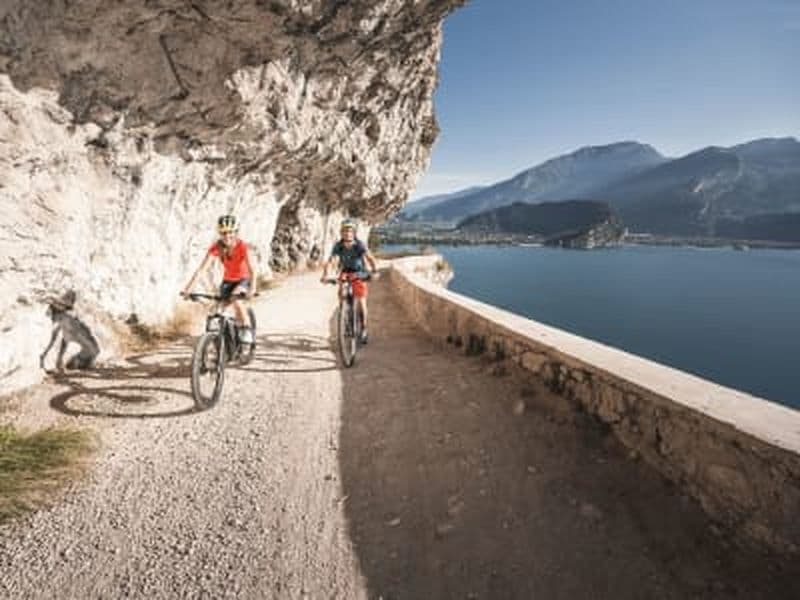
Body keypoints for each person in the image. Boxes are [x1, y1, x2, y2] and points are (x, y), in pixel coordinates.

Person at [181, 215, 256, 344]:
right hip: (228, 281)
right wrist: (188, 289)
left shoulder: (242, 246)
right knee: (217, 310)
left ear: (236, 232)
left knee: (237, 301)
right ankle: (223, 340)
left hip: (243, 279)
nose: (227, 236)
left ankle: (246, 329)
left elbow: (253, 270)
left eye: (231, 232)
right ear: (220, 233)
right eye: (224, 233)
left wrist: (253, 289)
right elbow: (201, 270)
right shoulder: (217, 247)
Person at [320, 219, 378, 343]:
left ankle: (363, 328)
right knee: (341, 293)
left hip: (359, 272)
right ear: (341, 232)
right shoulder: (339, 245)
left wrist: (374, 271)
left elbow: (370, 257)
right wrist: (326, 274)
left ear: (354, 233)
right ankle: (344, 315)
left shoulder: (359, 245)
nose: (347, 233)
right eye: (345, 231)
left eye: (350, 231)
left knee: (361, 301)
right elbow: (332, 260)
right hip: (345, 271)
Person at [40, 290, 100, 372]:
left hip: (81, 342)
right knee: (93, 351)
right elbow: (63, 339)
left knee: (92, 351)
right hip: (81, 340)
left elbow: (64, 339)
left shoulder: (66, 317)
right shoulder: (66, 316)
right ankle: (57, 361)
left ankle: (57, 362)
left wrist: (59, 358)